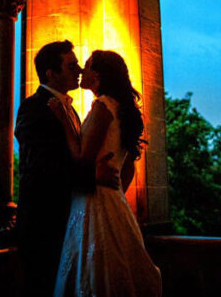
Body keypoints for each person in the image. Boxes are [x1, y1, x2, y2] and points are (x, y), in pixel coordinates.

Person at [49, 50, 162, 297]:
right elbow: (128, 167)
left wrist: (62, 120)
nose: (82, 71)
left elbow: (81, 157)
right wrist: (116, 191)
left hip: (93, 200)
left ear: (98, 75)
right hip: (112, 200)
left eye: (87, 66)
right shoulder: (120, 109)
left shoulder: (103, 107)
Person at [15, 41, 117, 297]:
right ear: (51, 73)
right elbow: (40, 168)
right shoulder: (33, 107)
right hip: (43, 224)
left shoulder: (70, 109)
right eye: (71, 66)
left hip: (69, 221)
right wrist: (92, 176)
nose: (79, 70)